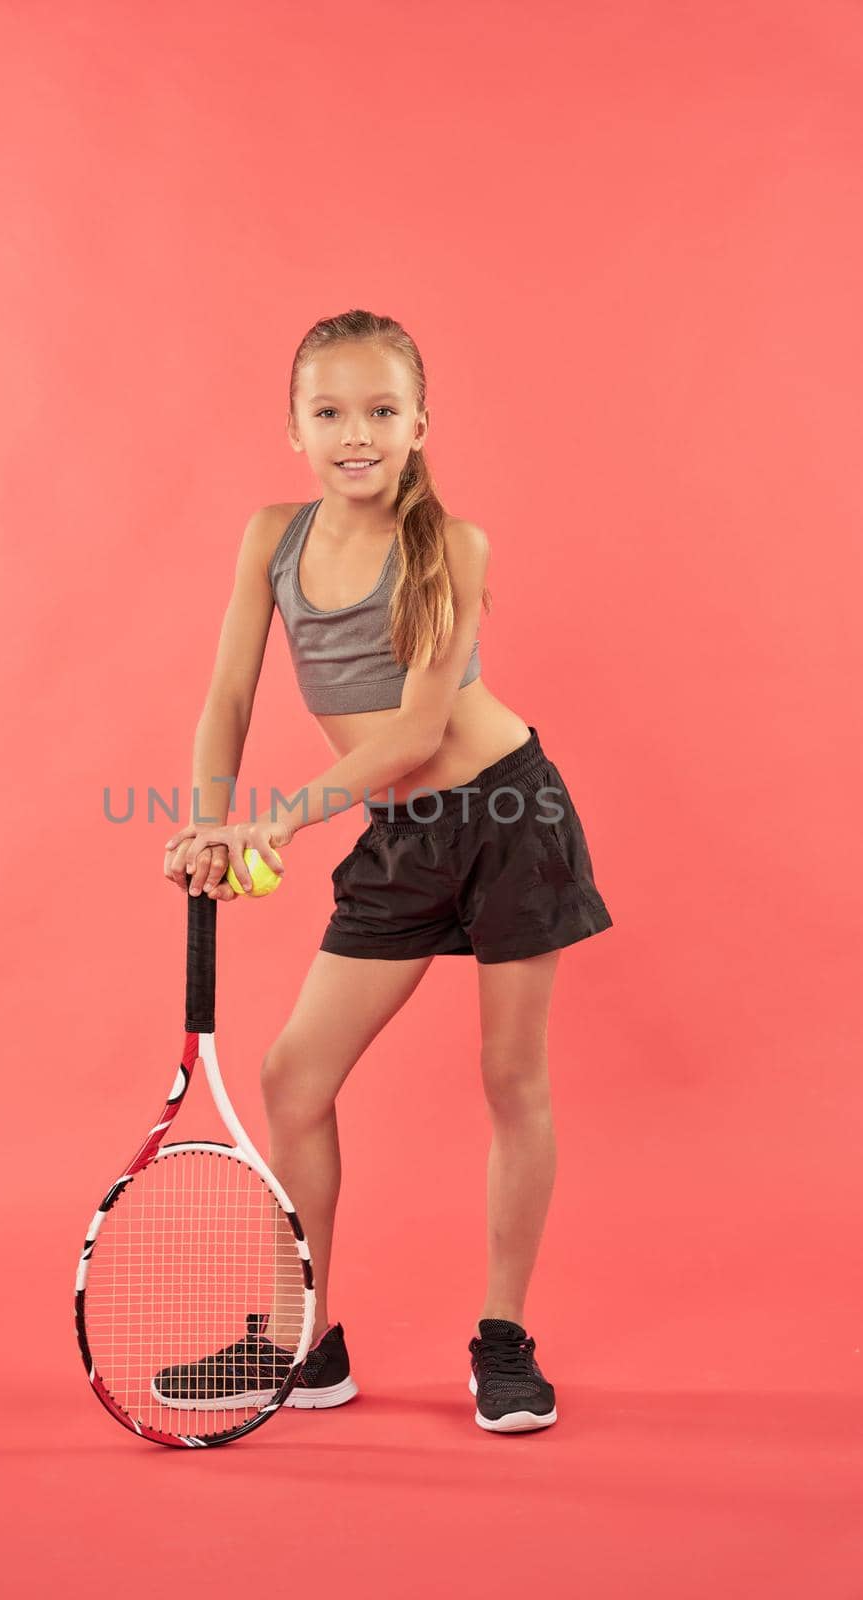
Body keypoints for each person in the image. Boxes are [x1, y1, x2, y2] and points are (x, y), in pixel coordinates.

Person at [162, 308, 613, 1433]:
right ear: (292, 428)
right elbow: (226, 696)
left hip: (510, 816)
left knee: (510, 1080)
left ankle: (501, 1337)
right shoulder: (270, 537)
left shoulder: (451, 547)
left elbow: (414, 734)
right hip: (400, 842)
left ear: (418, 425)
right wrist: (205, 822)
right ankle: (301, 1344)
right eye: (327, 412)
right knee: (291, 1079)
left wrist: (270, 826)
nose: (352, 433)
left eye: (378, 411)